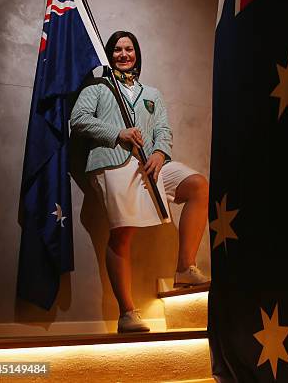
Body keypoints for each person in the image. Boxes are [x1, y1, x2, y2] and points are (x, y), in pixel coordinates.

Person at [71, 31, 210, 333]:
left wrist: (161, 152)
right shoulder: (98, 87)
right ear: (110, 55)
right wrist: (117, 133)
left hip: (150, 164)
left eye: (129, 49)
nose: (124, 54)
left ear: (137, 54)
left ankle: (185, 268)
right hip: (113, 162)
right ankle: (127, 313)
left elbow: (162, 128)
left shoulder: (152, 94)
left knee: (199, 185)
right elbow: (78, 120)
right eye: (118, 50)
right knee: (123, 233)